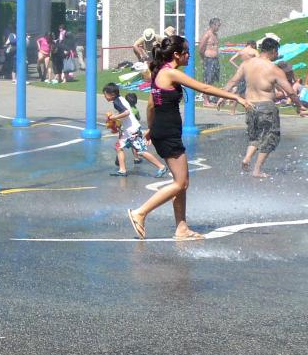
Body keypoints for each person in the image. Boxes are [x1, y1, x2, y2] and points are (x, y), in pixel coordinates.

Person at [126, 35, 247, 241]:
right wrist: (235, 96)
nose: (190, 55)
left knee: (182, 182)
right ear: (176, 54)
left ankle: (181, 227)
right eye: (186, 51)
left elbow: (151, 105)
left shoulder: (159, 73)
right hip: (167, 133)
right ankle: (140, 212)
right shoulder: (171, 73)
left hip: (164, 131)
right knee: (180, 182)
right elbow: (204, 88)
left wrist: (151, 129)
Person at [223, 36, 306, 178]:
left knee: (255, 135)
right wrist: (299, 106)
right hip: (266, 106)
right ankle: (257, 170)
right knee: (271, 136)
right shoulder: (274, 69)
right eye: (276, 53)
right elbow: (291, 91)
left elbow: (233, 81)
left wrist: (223, 95)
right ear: (273, 51)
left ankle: (247, 158)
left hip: (249, 105)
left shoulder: (246, 64)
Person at [103, 83, 169, 178]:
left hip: (132, 130)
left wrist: (114, 117)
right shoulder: (120, 99)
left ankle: (161, 167)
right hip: (128, 130)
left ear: (112, 94)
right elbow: (124, 113)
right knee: (118, 147)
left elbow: (126, 112)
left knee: (140, 151)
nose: (105, 96)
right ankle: (122, 170)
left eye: (105, 94)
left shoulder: (117, 102)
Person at [197, 18, 222, 103]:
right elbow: (200, 48)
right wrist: (203, 58)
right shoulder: (207, 35)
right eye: (218, 25)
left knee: (212, 79)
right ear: (212, 25)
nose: (219, 27)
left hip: (214, 59)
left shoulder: (215, 35)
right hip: (208, 59)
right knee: (207, 79)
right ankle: (205, 100)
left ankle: (208, 98)